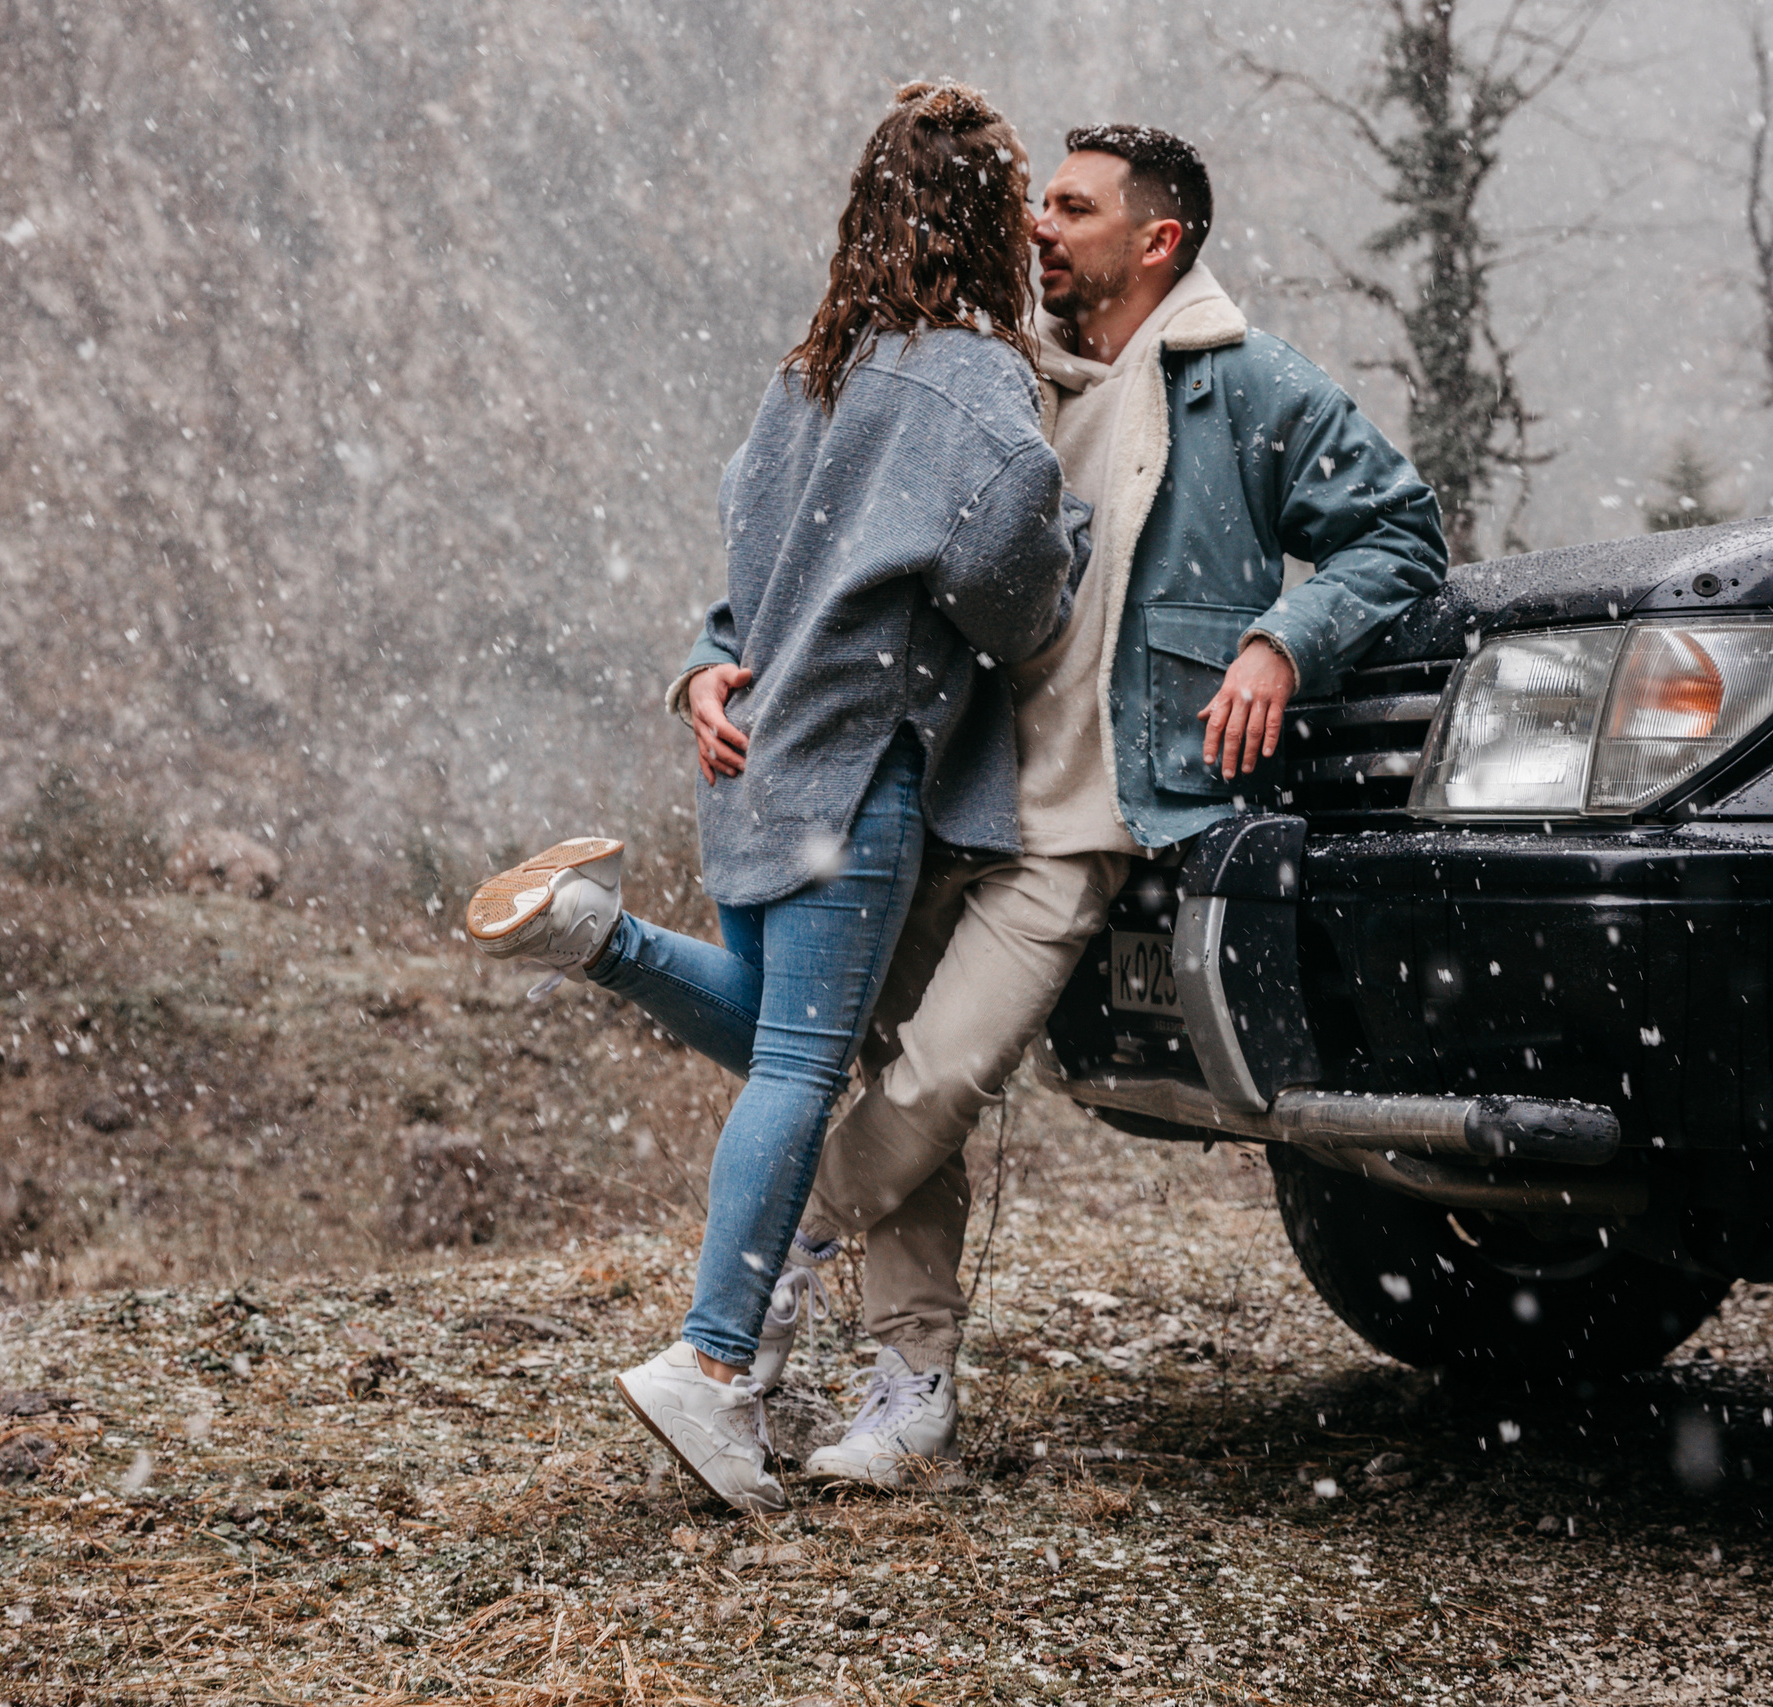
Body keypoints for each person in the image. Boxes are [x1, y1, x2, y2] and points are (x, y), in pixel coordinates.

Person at [757, 124, 1450, 1487]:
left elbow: (1400, 530)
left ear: (1158, 241)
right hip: (936, 789)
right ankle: (911, 1390)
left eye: (1070, 209)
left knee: (945, 1076)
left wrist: (1281, 640)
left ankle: (773, 1250)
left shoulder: (1240, 384)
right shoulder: (996, 381)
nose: (1037, 230)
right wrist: (715, 664)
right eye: (1038, 205)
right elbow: (811, 534)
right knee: (898, 1079)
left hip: (1086, 819)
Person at [464, 81, 1088, 1514]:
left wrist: (706, 664)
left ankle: (593, 935)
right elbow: (1011, 597)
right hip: (855, 771)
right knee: (801, 1071)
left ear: (871, 210)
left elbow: (748, 573)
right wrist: (1068, 543)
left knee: (775, 1038)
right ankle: (717, 1364)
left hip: (753, 767)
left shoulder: (814, 370)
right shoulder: (977, 379)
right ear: (991, 219)